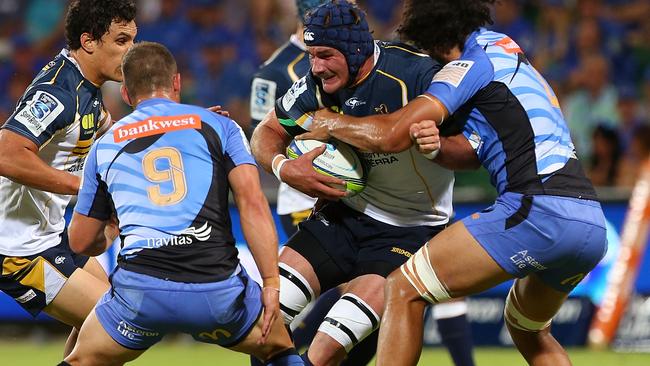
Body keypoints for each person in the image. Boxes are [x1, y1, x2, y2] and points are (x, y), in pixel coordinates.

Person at [298, 0, 608, 365]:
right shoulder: (505, 52)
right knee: (528, 328)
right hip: (589, 221)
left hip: (536, 208)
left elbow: (395, 133)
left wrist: (327, 122)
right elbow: (475, 147)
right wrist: (436, 149)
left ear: (431, 33)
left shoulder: (469, 63)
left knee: (402, 287)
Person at [251, 1, 475, 365]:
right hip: (343, 217)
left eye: (325, 55)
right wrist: (282, 168)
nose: (316, 67)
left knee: (323, 352)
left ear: (355, 49)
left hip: (408, 231)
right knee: (264, 317)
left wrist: (333, 124)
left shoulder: (414, 74)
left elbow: (455, 146)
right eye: (310, 55)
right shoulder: (316, 84)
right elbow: (265, 132)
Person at [59, 41, 302, 366]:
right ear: (177, 83)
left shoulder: (104, 146)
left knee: (80, 358)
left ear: (127, 95)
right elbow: (253, 205)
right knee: (279, 349)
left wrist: (113, 230)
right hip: (218, 292)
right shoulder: (222, 126)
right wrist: (271, 284)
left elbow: (79, 241)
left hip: (141, 296)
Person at [0, 0, 137, 357]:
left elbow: (118, 133)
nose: (131, 51)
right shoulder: (59, 91)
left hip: (47, 232)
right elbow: (6, 154)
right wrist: (85, 187)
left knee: (102, 329)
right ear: (89, 41)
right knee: (118, 326)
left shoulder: (87, 90)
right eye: (122, 41)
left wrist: (181, 122)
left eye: (133, 41)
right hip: (16, 247)